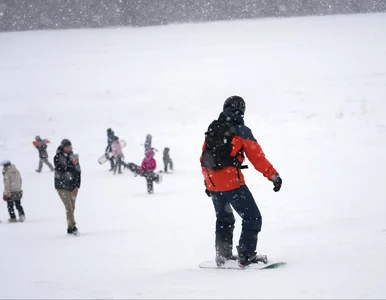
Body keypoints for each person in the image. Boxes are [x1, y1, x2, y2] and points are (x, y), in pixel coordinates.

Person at [200, 96, 282, 268]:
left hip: (214, 185)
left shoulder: (213, 128)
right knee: (252, 217)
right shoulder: (241, 130)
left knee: (224, 219)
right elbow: (257, 158)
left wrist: (208, 183)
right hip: (232, 184)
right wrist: (273, 176)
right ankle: (246, 257)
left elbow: (203, 158)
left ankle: (223, 256)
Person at [54, 139, 81, 235]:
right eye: (67, 146)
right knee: (68, 207)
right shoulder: (58, 157)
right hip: (62, 186)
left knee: (72, 207)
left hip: (73, 186)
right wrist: (72, 163)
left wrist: (77, 184)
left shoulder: (73, 156)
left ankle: (69, 227)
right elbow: (61, 169)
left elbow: (78, 170)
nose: (70, 148)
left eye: (70, 146)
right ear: (63, 147)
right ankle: (73, 227)